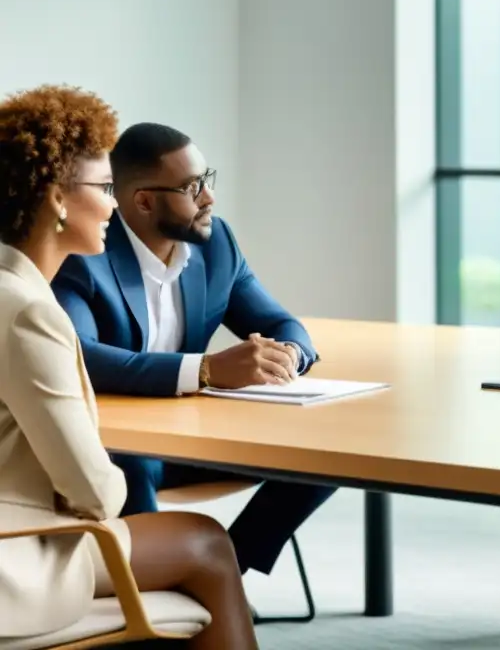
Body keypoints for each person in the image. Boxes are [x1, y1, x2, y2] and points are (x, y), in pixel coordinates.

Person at [0, 85, 257, 648]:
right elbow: (93, 491)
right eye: (105, 188)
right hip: (17, 550)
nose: (117, 205)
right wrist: (112, 479)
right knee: (207, 544)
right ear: (56, 199)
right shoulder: (27, 312)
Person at [52, 121, 335, 579]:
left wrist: (288, 356)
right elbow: (80, 355)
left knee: (324, 450)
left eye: (208, 179)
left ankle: (224, 575)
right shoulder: (86, 254)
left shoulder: (215, 243)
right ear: (144, 200)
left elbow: (282, 324)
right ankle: (151, 596)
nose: (209, 198)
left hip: (195, 442)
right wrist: (204, 370)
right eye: (192, 187)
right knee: (130, 466)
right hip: (122, 449)